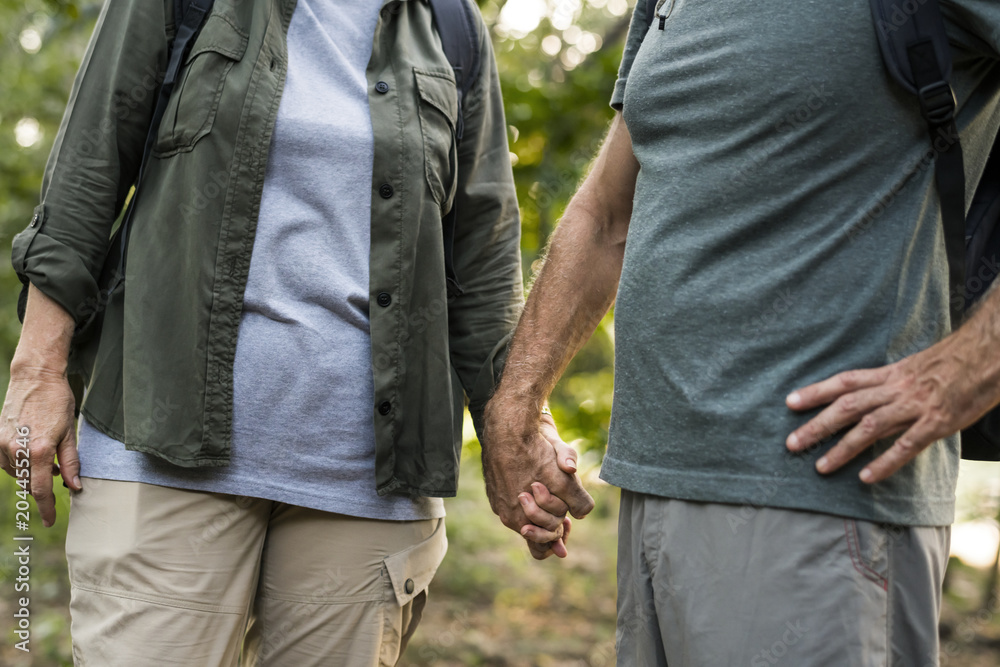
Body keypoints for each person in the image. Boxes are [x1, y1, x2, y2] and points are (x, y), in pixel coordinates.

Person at [0, 0, 531, 664]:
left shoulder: (449, 27)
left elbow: (483, 260)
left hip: (366, 490)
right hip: (162, 454)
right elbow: (87, 169)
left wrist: (517, 428)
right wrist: (36, 372)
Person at [483, 0, 1000, 663]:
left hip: (820, 497)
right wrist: (516, 403)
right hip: (653, 488)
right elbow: (607, 213)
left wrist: (968, 367)